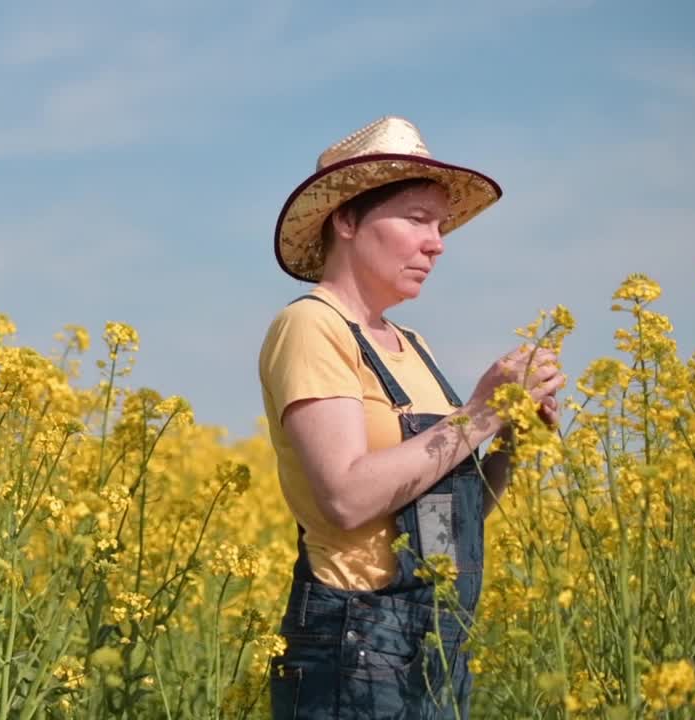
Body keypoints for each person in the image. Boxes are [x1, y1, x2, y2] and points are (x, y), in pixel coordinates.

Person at [259, 116, 564, 718]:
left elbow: (451, 513)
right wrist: (477, 413)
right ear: (346, 220)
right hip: (356, 647)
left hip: (439, 640)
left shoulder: (413, 345)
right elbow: (345, 498)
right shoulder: (312, 326)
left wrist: (510, 432)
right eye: (417, 219)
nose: (437, 243)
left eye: (442, 225)